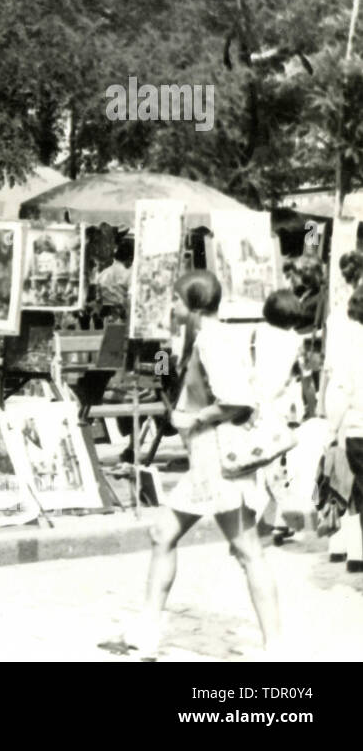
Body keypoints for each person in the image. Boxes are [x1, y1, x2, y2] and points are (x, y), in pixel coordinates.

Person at [127, 270, 281, 659]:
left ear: (191, 303)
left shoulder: (211, 340)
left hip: (214, 456)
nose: (172, 308)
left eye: (176, 301)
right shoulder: (195, 338)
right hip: (203, 457)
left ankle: (277, 645)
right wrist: (160, 367)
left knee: (247, 551)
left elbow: (234, 398)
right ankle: (146, 631)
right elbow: (166, 382)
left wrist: (193, 418)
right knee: (163, 533)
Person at [253, 290, 308, 547]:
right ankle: (287, 518)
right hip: (282, 407)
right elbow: (299, 373)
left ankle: (278, 520)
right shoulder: (293, 340)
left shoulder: (259, 333)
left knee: (269, 467)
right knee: (278, 467)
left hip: (260, 405)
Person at [325, 285, 363, 574]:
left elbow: (339, 392)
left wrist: (332, 429)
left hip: (358, 430)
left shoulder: (351, 346)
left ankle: (355, 551)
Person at [95, 238, 133, 324]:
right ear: (130, 258)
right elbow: (131, 297)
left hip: (107, 317)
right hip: (123, 316)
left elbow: (98, 299)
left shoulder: (102, 274)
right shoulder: (129, 274)